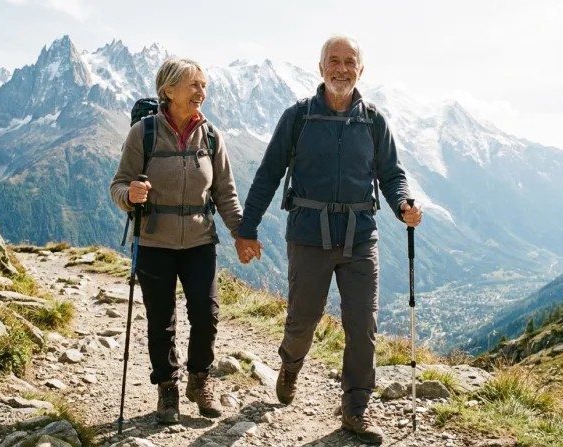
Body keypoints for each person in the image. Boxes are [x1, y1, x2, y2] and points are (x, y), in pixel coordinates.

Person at [235, 35, 423, 444]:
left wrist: (403, 203)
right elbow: (268, 174)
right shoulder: (298, 118)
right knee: (303, 319)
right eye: (333, 61)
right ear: (320, 69)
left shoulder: (374, 121)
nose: (341, 68)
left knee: (363, 325)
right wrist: (246, 229)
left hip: (360, 238)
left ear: (360, 69)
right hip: (308, 235)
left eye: (349, 61)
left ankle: (355, 408)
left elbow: (391, 174)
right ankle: (290, 365)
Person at [110, 58, 243, 424]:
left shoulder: (212, 136)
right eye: (193, 85)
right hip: (154, 242)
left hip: (201, 241)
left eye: (204, 85)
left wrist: (242, 234)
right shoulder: (144, 133)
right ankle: (167, 388)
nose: (202, 92)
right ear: (168, 91)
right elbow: (118, 185)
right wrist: (130, 195)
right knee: (161, 321)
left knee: (207, 315)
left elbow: (226, 194)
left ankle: (199, 381)